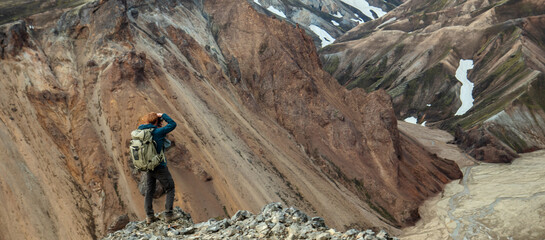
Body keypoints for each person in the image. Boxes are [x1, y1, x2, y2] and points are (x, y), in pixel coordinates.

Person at [137, 112, 177, 224]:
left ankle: (149, 216)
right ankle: (169, 215)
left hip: (148, 166)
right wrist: (163, 115)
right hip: (159, 166)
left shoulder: (141, 131)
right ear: (156, 122)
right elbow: (173, 124)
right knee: (170, 187)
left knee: (149, 190)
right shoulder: (158, 132)